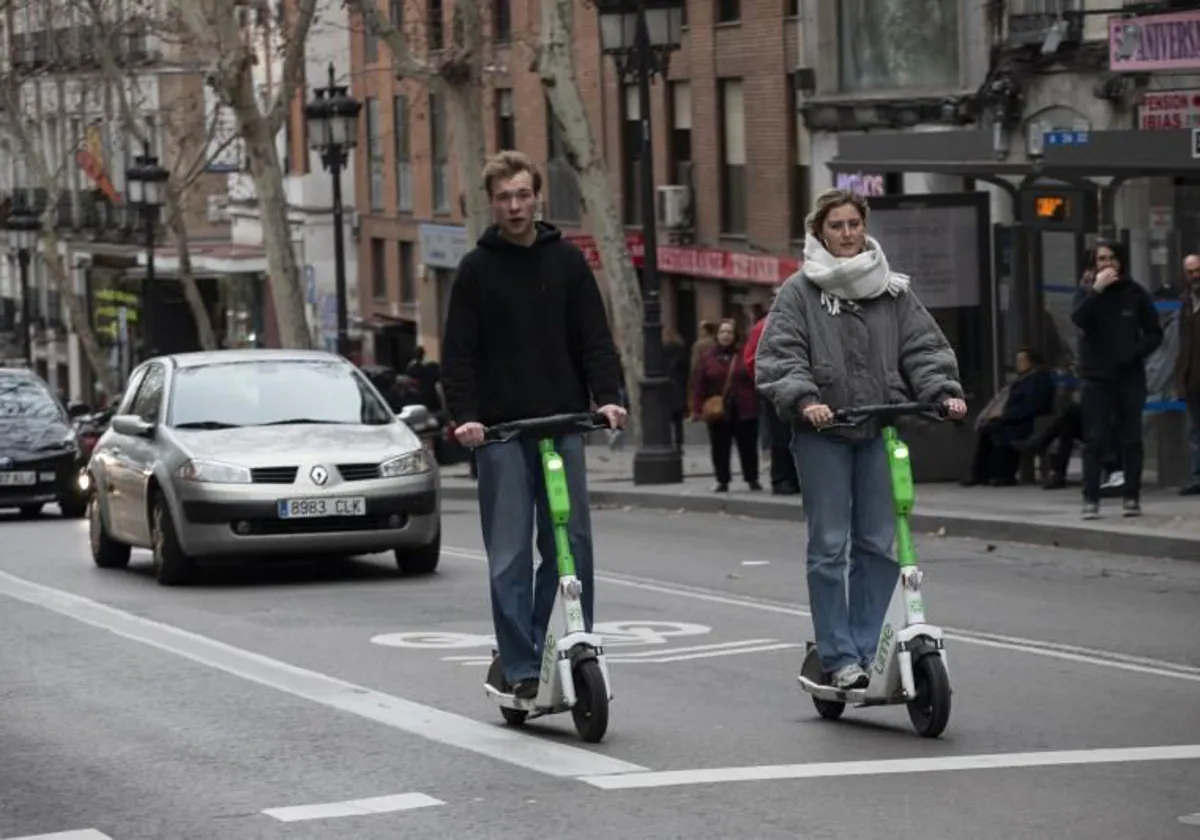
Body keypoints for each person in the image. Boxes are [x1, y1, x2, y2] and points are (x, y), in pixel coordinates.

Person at [755, 188, 966, 690]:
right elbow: (779, 357)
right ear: (818, 233)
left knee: (877, 542)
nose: (847, 234)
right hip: (823, 434)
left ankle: (869, 648)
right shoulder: (798, 293)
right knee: (829, 545)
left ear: (864, 227)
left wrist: (942, 392)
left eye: (854, 224)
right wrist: (805, 399)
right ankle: (838, 654)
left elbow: (924, 347)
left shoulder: (890, 290)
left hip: (877, 428)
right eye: (836, 226)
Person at [441, 150, 627, 700]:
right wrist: (467, 417)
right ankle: (519, 662)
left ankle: (574, 639)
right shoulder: (476, 270)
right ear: (492, 202)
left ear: (537, 196)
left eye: (523, 194)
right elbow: (459, 356)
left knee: (572, 544)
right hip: (500, 433)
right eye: (505, 197)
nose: (515, 205)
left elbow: (594, 337)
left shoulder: (567, 261)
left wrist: (610, 398)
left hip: (562, 423)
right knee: (511, 554)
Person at [1070, 240, 1162, 519]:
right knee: (1095, 438)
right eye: (1101, 259)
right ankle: (1090, 498)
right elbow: (1078, 318)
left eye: (1111, 258)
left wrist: (1134, 353)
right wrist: (1097, 290)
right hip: (1096, 376)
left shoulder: (1135, 294)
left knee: (1131, 437)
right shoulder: (1088, 293)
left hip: (1128, 375)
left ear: (1121, 262)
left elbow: (1154, 332)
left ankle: (1131, 496)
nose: (1106, 264)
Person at [963, 348, 1055, 486]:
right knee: (987, 429)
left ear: (1032, 362)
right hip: (1012, 418)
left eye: (1022, 360)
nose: (1018, 364)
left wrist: (1005, 415)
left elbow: (1032, 405)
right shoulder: (1020, 380)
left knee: (1000, 431)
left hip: (1028, 420)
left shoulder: (1040, 379)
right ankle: (981, 474)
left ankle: (1003, 475)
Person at [691, 318, 760, 492]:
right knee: (720, 446)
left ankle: (752, 478)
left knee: (748, 445)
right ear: (716, 335)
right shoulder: (707, 358)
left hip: (745, 407)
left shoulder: (745, 354)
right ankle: (722, 480)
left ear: (735, 335)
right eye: (722, 332)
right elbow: (699, 384)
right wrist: (697, 409)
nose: (726, 336)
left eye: (729, 332)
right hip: (718, 409)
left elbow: (756, 378)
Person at [1176, 253, 1200, 496]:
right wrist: (1181, 378)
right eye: (1191, 272)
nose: (1195, 276)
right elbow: (1184, 346)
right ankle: (1196, 477)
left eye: (1198, 270)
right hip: (1193, 378)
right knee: (1194, 430)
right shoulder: (1186, 302)